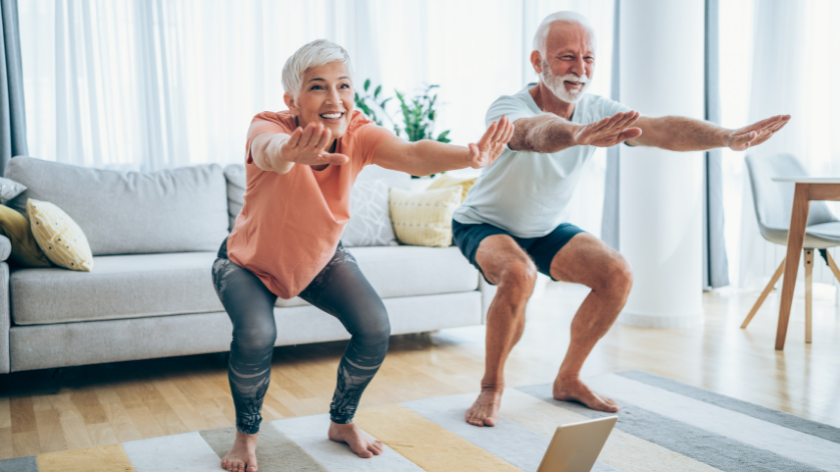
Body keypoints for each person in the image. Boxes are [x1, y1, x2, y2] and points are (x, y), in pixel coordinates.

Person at [452, 11, 790, 427]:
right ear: (537, 62)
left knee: (617, 274)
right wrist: (576, 134)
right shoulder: (509, 106)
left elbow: (661, 129)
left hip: (544, 227)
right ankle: (491, 388)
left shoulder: (597, 108)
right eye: (566, 57)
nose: (580, 69)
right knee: (519, 273)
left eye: (589, 58)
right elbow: (531, 134)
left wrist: (727, 137)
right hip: (484, 223)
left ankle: (569, 378)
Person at [212, 39, 513, 472]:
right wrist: (289, 153)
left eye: (344, 86)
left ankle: (342, 421)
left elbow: (412, 154)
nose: (334, 99)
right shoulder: (269, 125)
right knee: (256, 336)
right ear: (292, 100)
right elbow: (268, 153)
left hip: (318, 256)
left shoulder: (356, 131)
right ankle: (246, 436)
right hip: (247, 261)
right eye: (318, 87)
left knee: (375, 328)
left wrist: (469, 156)